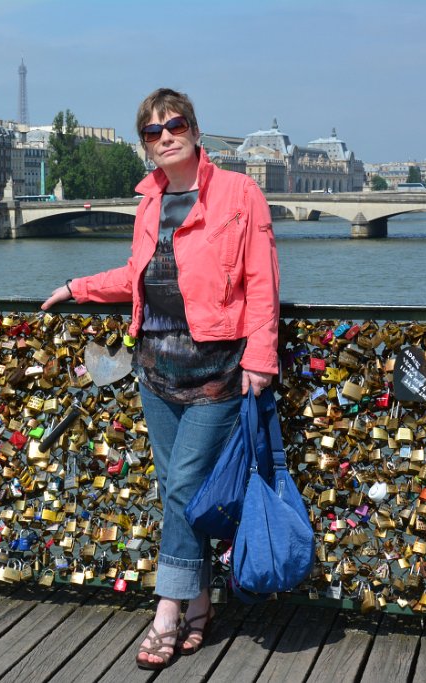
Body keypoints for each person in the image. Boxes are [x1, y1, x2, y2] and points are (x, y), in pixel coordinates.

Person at [41, 88, 279, 670]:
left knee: (180, 488)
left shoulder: (239, 193)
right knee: (185, 492)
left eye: (174, 125)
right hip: (156, 370)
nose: (165, 136)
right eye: (152, 131)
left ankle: (166, 613)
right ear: (145, 145)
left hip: (216, 374)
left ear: (195, 130)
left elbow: (263, 280)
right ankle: (200, 603)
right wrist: (77, 287)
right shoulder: (149, 199)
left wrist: (260, 360)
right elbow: (138, 275)